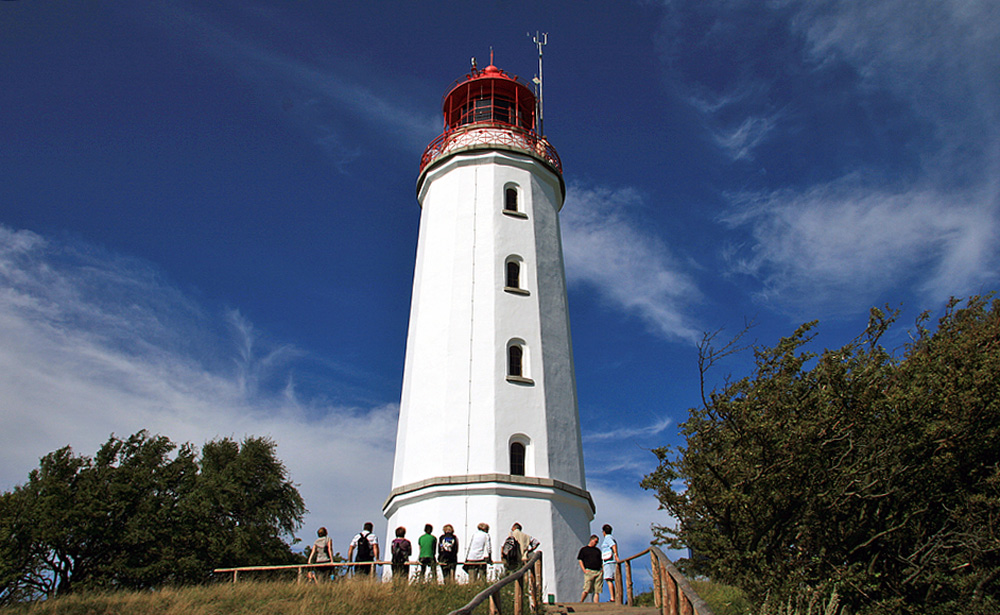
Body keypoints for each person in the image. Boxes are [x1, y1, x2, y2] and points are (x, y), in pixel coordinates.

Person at [578, 535, 603, 603]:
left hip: (598, 571)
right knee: (587, 588)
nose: (596, 543)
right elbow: (580, 560)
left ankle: (596, 604)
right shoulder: (584, 550)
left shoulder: (598, 551)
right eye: (595, 541)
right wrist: (584, 570)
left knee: (597, 590)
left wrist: (602, 569)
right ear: (591, 540)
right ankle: (581, 601)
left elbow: (601, 560)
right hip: (589, 571)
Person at [601, 524, 621, 603]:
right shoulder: (611, 538)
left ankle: (613, 598)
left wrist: (615, 554)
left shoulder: (607, 538)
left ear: (604, 532)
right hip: (610, 561)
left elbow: (613, 545)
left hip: (609, 561)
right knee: (614, 579)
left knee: (609, 579)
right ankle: (617, 596)